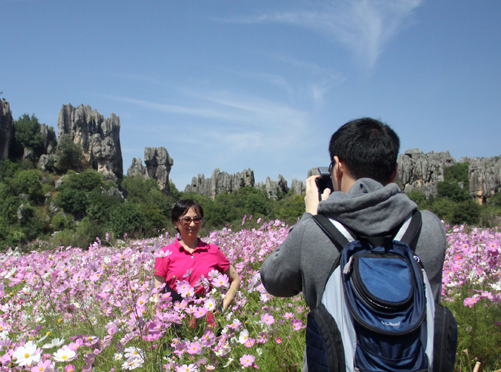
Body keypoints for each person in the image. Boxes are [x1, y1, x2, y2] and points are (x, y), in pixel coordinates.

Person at [260, 118, 447, 369]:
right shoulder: (429, 228)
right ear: (395, 171)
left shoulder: (313, 232)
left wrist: (310, 216)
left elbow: (273, 280)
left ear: (337, 167)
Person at [154, 199, 240, 313]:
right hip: (176, 317)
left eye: (197, 219)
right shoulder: (165, 254)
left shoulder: (213, 251)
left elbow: (236, 279)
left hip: (208, 317)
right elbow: (157, 291)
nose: (193, 224)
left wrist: (222, 307)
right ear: (175, 223)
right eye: (187, 220)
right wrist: (158, 314)